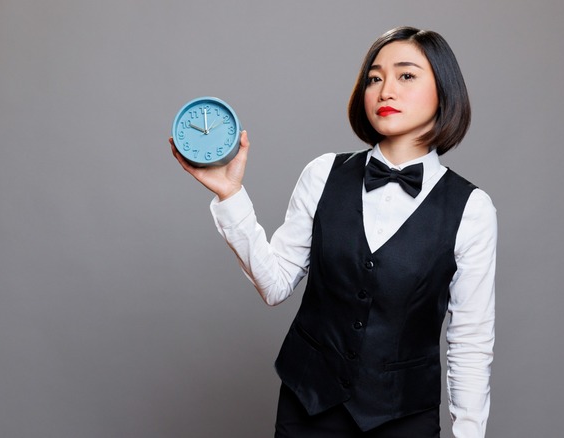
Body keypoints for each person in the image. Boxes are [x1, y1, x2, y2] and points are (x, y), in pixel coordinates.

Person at [170, 26, 495, 438]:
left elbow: (470, 340)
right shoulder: (323, 173)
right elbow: (274, 285)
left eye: (406, 76)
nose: (385, 90)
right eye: (374, 78)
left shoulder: (472, 208)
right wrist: (231, 194)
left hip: (404, 419)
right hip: (308, 408)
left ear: (444, 92)